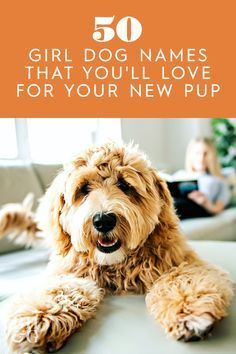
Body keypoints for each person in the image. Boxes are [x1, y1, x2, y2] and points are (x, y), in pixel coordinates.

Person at [173, 137, 231, 219]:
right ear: (190, 155)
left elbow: (218, 208)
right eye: (197, 153)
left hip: (200, 207)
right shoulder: (179, 174)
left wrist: (205, 203)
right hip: (173, 203)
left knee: (175, 205)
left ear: (212, 156)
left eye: (206, 153)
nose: (201, 158)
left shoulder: (219, 180)